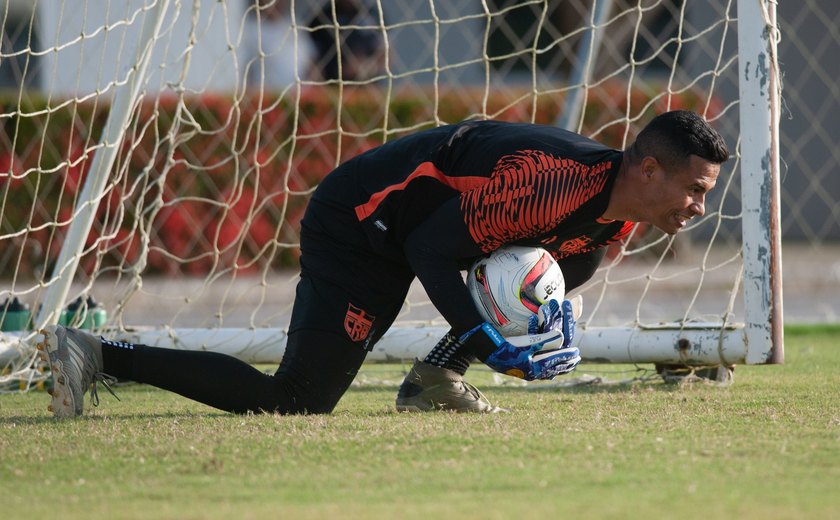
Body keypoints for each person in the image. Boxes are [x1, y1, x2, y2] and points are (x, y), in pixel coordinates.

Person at [36, 110, 729, 418]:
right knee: (299, 400)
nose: (699, 206)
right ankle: (96, 354)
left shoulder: (617, 215)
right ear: (645, 167)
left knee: (504, 294)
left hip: (415, 228)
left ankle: (432, 380)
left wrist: (533, 325)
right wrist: (490, 341)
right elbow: (433, 250)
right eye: (695, 188)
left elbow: (544, 275)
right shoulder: (550, 183)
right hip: (361, 222)